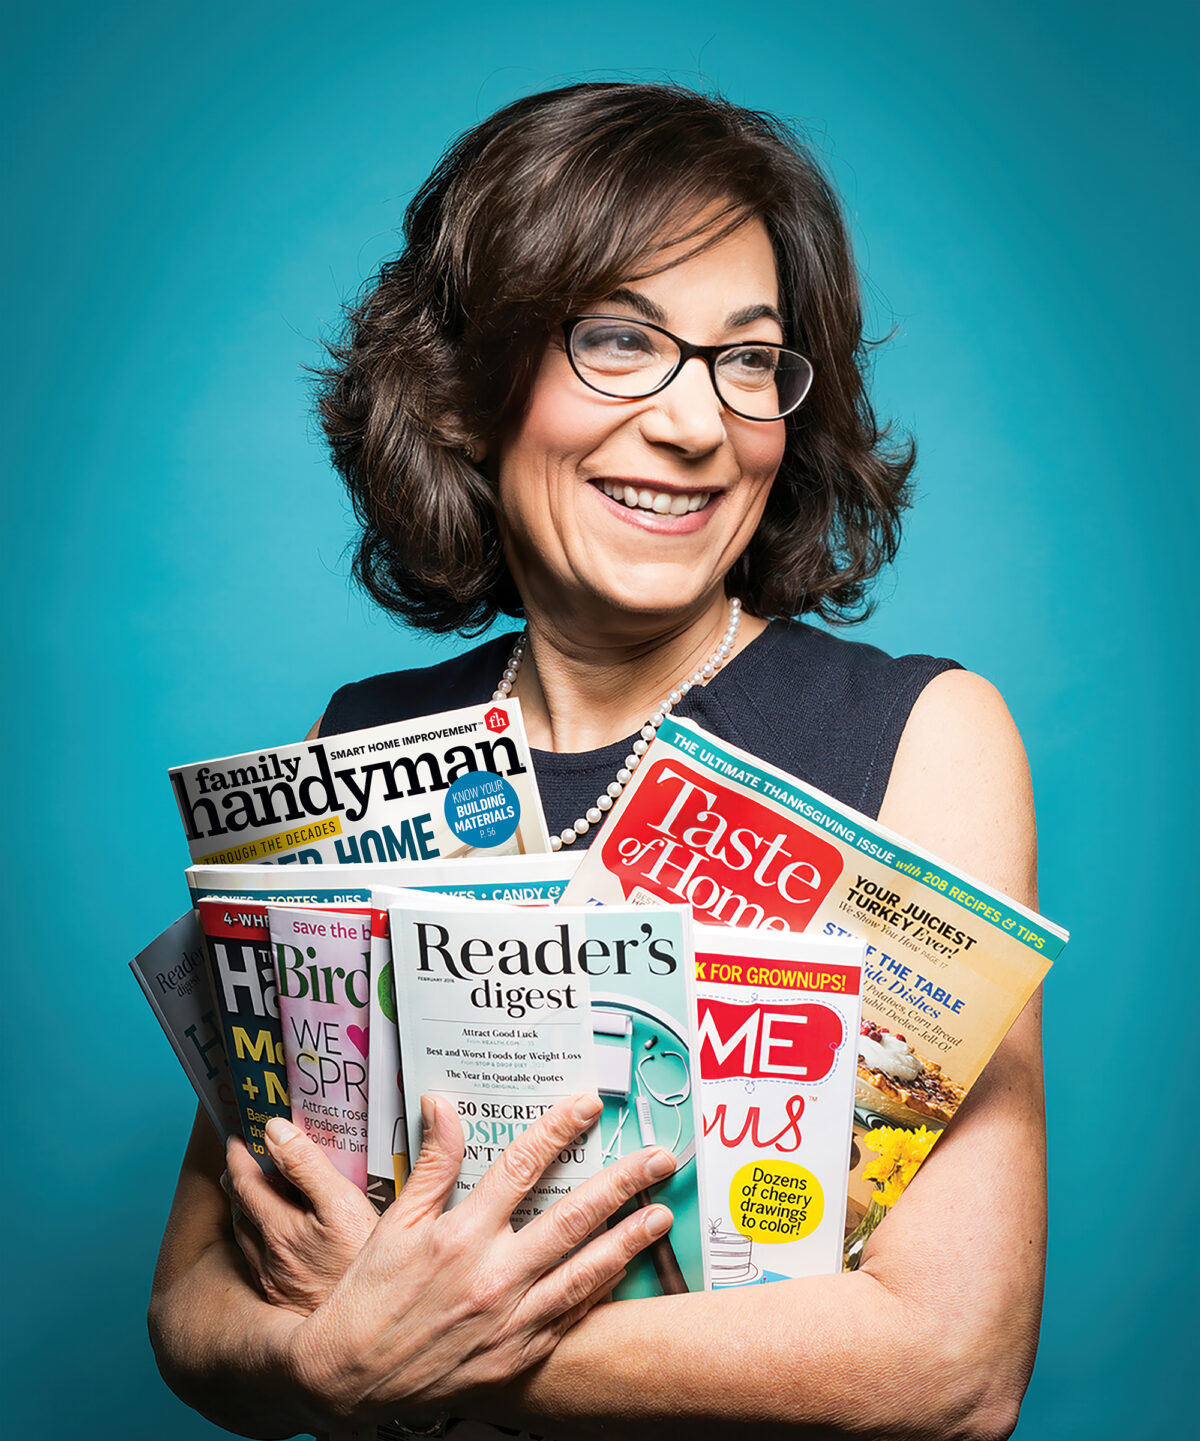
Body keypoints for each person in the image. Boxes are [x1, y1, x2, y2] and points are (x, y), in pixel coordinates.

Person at [149, 83, 1045, 1441]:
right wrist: (325, 1365)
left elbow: (953, 1362)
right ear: (464, 396)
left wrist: (410, 1342)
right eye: (619, 339)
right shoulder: (362, 749)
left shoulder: (925, 735)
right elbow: (194, 1305)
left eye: (748, 360)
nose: (697, 423)